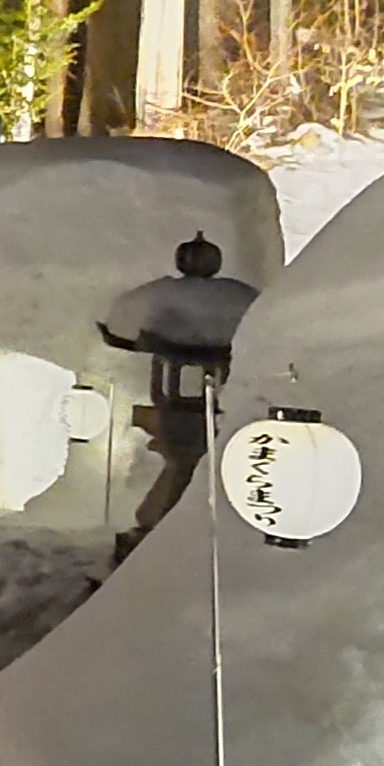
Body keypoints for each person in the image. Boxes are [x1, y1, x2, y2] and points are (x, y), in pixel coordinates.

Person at [97, 231, 259, 564]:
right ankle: (160, 526)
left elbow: (122, 327)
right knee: (184, 463)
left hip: (180, 400)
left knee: (185, 465)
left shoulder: (163, 298)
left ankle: (163, 530)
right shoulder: (238, 299)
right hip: (190, 402)